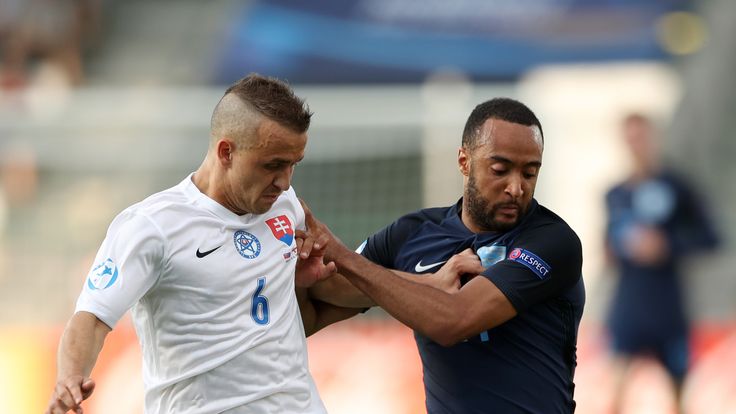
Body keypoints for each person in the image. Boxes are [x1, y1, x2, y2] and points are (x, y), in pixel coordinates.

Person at [45, 73, 354, 414]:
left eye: (293, 165)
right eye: (273, 165)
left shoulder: (286, 206)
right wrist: (70, 377)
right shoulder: (153, 227)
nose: (283, 181)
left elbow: (287, 308)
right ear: (226, 152)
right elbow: (91, 317)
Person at [307, 97, 586, 413]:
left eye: (529, 173)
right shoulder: (410, 234)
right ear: (464, 162)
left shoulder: (552, 241)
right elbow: (327, 291)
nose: (516, 188)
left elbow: (454, 320)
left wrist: (344, 257)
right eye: (500, 169)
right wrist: (426, 282)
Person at [604, 113, 719, 413]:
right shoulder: (616, 194)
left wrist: (668, 246)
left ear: (654, 138)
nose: (636, 145)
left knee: (678, 393)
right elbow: (608, 243)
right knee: (615, 389)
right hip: (629, 304)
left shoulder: (678, 187)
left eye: (641, 137)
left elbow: (711, 237)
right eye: (630, 138)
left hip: (667, 306)